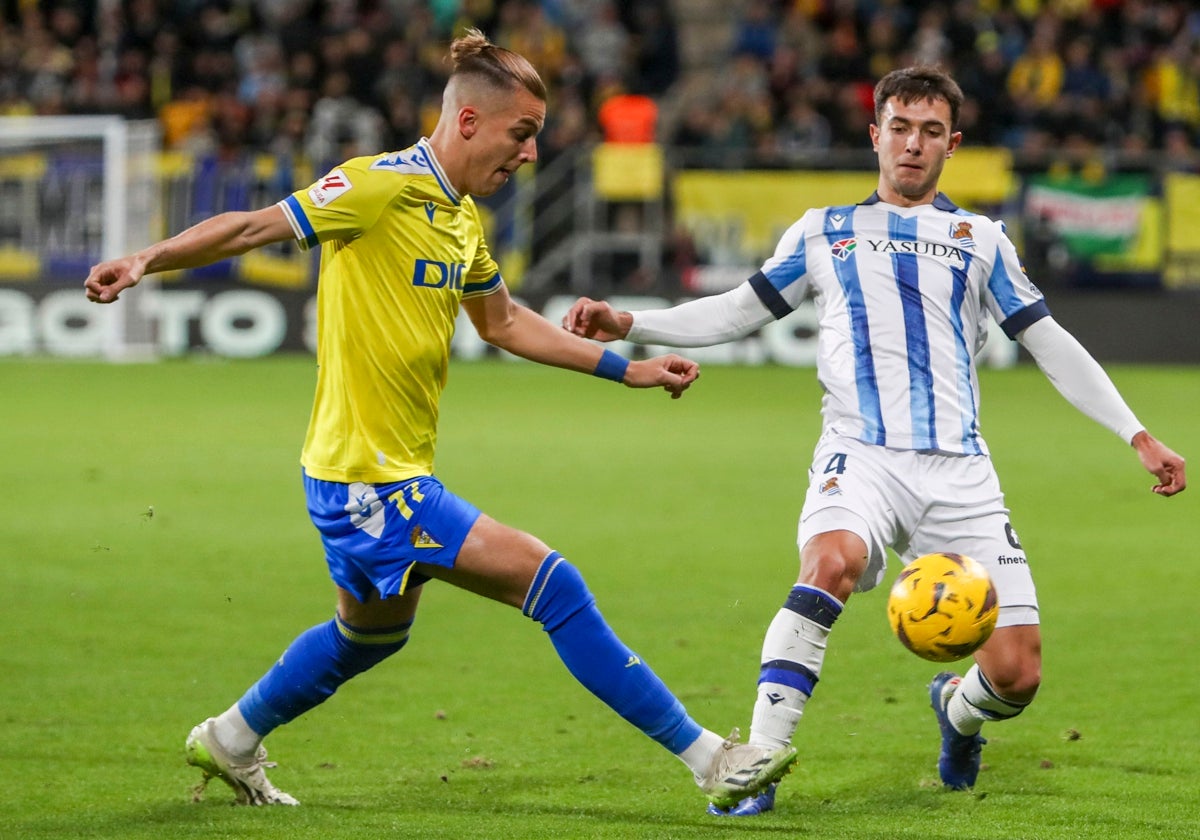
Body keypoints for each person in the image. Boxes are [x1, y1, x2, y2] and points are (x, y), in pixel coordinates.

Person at [84, 29, 796, 810]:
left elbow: (504, 322)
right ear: (468, 121)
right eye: (521, 133)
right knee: (552, 583)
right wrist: (146, 260)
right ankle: (710, 760)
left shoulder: (459, 219)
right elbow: (255, 226)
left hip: (371, 473)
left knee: (370, 637)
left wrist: (628, 369)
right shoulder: (376, 186)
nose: (529, 154)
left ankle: (230, 737)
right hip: (370, 479)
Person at [564, 65, 1186, 816]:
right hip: (859, 455)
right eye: (900, 128)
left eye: (930, 131)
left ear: (952, 144)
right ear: (875, 135)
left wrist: (1136, 433)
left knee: (1016, 676)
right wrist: (630, 322)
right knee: (832, 562)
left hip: (960, 472)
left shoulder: (982, 239)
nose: (913, 144)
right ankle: (753, 767)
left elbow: (1049, 342)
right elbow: (738, 310)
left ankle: (957, 713)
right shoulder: (824, 229)